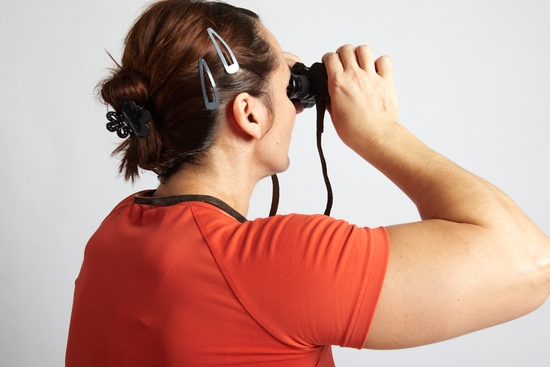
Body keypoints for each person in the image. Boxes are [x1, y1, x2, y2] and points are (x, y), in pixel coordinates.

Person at [65, 0, 550, 366]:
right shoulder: (270, 265)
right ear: (250, 114)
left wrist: (276, 72)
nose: (299, 105)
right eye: (289, 86)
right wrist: (381, 134)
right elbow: (529, 263)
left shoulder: (112, 239)